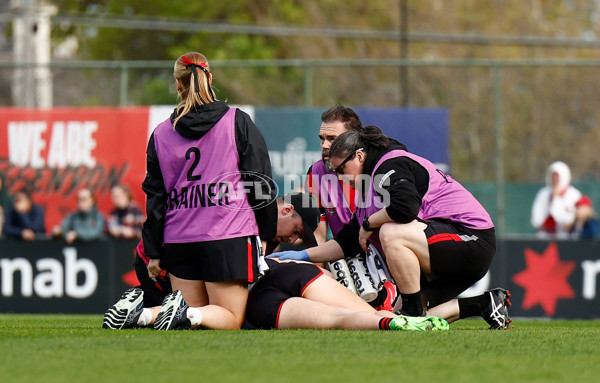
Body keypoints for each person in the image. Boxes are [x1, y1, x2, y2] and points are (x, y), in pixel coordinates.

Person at [271, 126, 512, 330]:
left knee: (391, 232)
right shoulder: (369, 188)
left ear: (359, 156)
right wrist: (301, 256)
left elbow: (405, 208)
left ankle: (413, 309)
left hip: (471, 239)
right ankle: (483, 303)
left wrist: (370, 223)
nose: (339, 178)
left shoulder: (390, 164)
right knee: (393, 320)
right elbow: (346, 242)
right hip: (449, 248)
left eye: (341, 170)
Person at [104, 192, 448, 331]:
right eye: (296, 228)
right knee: (353, 316)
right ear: (285, 209)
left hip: (251, 297)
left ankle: (148, 309)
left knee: (340, 319)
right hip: (272, 286)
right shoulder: (254, 218)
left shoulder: (238, 216)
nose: (292, 238)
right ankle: (391, 311)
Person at [142, 52, 277, 331]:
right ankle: (179, 315)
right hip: (227, 235)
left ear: (178, 84)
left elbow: (155, 198)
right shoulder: (236, 121)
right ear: (210, 79)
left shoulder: (160, 134)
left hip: (179, 238)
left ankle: (147, 315)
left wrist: (154, 251)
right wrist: (266, 233)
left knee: (194, 321)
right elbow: (260, 182)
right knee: (229, 317)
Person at [306, 105, 397, 311]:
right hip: (346, 254)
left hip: (386, 256)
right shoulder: (316, 173)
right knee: (339, 261)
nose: (324, 145)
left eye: (332, 139)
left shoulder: (376, 168)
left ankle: (390, 294)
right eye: (322, 139)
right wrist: (315, 282)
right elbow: (318, 235)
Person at [531, 161, 582, 239]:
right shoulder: (543, 193)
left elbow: (574, 219)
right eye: (553, 176)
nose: (555, 179)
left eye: (558, 176)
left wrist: (556, 198)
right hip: (545, 236)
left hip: (566, 237)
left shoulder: (574, 194)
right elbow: (536, 217)